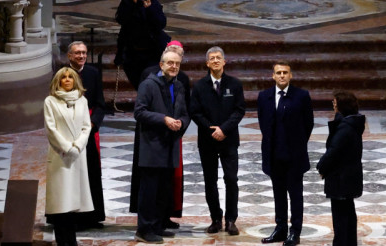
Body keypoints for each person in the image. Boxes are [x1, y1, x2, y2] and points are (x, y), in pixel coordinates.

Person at [133, 50, 191, 244]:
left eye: (177, 64)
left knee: (163, 190)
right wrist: (163, 119)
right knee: (149, 190)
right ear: (161, 65)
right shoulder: (148, 85)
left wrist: (181, 123)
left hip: (170, 145)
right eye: (170, 63)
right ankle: (144, 229)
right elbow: (139, 112)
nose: (174, 67)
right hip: (152, 145)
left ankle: (157, 226)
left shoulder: (179, 85)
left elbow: (184, 112)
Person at [189, 46, 246, 235]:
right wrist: (211, 129)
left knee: (231, 179)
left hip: (229, 140)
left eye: (218, 57)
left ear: (224, 61)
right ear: (207, 63)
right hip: (207, 141)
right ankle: (215, 218)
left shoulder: (235, 84)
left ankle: (231, 220)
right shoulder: (199, 86)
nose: (215, 60)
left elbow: (239, 110)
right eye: (211, 58)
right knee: (210, 181)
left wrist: (224, 129)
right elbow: (194, 112)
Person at [257, 62, 313, 246]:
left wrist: (297, 143)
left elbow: (308, 124)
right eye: (278, 73)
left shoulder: (301, 96)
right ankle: (280, 228)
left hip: (294, 156)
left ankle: (295, 231)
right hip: (274, 155)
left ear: (291, 75)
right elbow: (263, 122)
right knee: (278, 194)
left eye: (285, 73)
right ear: (273, 75)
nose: (282, 75)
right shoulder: (264, 96)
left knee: (296, 195)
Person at [45, 67, 94, 246]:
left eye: (70, 77)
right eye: (63, 77)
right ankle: (62, 241)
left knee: (73, 202)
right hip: (60, 156)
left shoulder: (82, 101)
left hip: (78, 155)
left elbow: (86, 127)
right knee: (60, 203)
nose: (67, 80)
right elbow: (51, 129)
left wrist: (78, 146)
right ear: (57, 81)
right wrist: (67, 147)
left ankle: (71, 241)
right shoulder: (50, 101)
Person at [66, 41, 107, 228]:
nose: (81, 56)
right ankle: (71, 218)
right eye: (77, 53)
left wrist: (92, 124)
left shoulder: (93, 73)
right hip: (68, 131)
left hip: (88, 130)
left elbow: (100, 103)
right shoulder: (62, 75)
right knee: (71, 174)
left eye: (83, 53)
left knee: (90, 171)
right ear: (69, 56)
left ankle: (92, 216)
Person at [317, 91, 365, 246]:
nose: (333, 105)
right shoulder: (352, 124)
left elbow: (333, 152)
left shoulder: (345, 128)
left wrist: (321, 167)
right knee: (348, 212)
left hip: (341, 178)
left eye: (335, 103)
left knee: (341, 217)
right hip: (348, 176)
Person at [114, 0, 170, 92]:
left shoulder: (152, 1)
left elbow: (161, 23)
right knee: (137, 79)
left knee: (149, 78)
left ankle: (146, 100)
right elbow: (121, 20)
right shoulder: (127, 1)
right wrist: (133, 5)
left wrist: (149, 9)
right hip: (132, 50)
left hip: (152, 50)